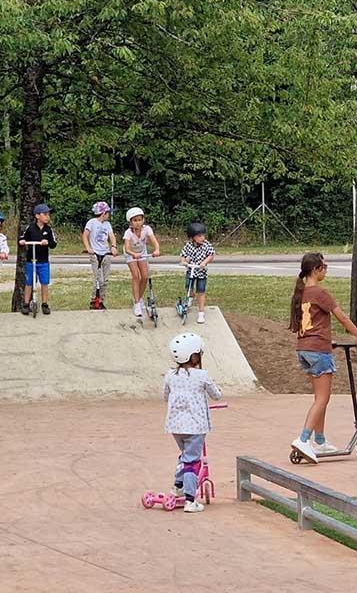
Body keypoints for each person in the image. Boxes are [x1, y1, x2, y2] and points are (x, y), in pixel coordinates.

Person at [288, 252, 357, 464]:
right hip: (318, 350)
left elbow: (309, 323)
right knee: (323, 399)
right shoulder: (320, 293)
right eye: (324, 267)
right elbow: (342, 317)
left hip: (304, 348)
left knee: (319, 399)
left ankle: (320, 440)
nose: (326, 270)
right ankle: (303, 439)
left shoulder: (301, 292)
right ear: (316, 270)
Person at [163, 332, 222, 513]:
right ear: (194, 356)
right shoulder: (201, 375)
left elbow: (166, 396)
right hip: (195, 426)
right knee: (192, 462)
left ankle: (177, 485)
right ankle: (190, 500)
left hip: (175, 426)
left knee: (185, 455)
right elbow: (216, 395)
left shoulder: (170, 375)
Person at [18, 203, 57, 315]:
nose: (47, 217)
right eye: (45, 214)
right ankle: (26, 304)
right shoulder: (30, 228)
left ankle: (44, 304)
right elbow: (22, 238)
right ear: (37, 216)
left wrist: (47, 242)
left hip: (43, 261)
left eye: (48, 214)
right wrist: (22, 241)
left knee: (44, 282)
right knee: (29, 282)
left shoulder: (48, 230)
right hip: (31, 261)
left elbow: (54, 243)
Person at [123, 206, 161, 316]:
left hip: (142, 251)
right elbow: (127, 249)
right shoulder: (128, 233)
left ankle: (139, 298)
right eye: (135, 220)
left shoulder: (147, 229)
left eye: (140, 220)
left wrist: (157, 250)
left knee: (145, 276)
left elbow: (155, 242)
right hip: (131, 254)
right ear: (130, 222)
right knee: (136, 276)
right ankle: (136, 303)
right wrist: (134, 254)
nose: (138, 223)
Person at [82, 201, 119, 310]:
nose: (109, 215)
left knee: (105, 280)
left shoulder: (107, 224)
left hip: (106, 253)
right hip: (95, 254)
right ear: (103, 213)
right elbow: (85, 235)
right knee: (99, 279)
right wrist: (88, 248)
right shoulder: (92, 222)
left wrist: (114, 246)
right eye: (108, 212)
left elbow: (112, 236)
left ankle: (101, 300)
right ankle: (94, 300)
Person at [179, 222, 214, 324]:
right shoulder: (188, 245)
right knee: (188, 287)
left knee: (201, 291)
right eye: (199, 236)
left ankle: (201, 312)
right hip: (191, 271)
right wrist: (184, 261)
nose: (202, 237)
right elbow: (183, 255)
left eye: (203, 235)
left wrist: (204, 262)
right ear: (193, 237)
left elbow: (211, 255)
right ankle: (191, 295)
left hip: (201, 273)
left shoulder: (207, 245)